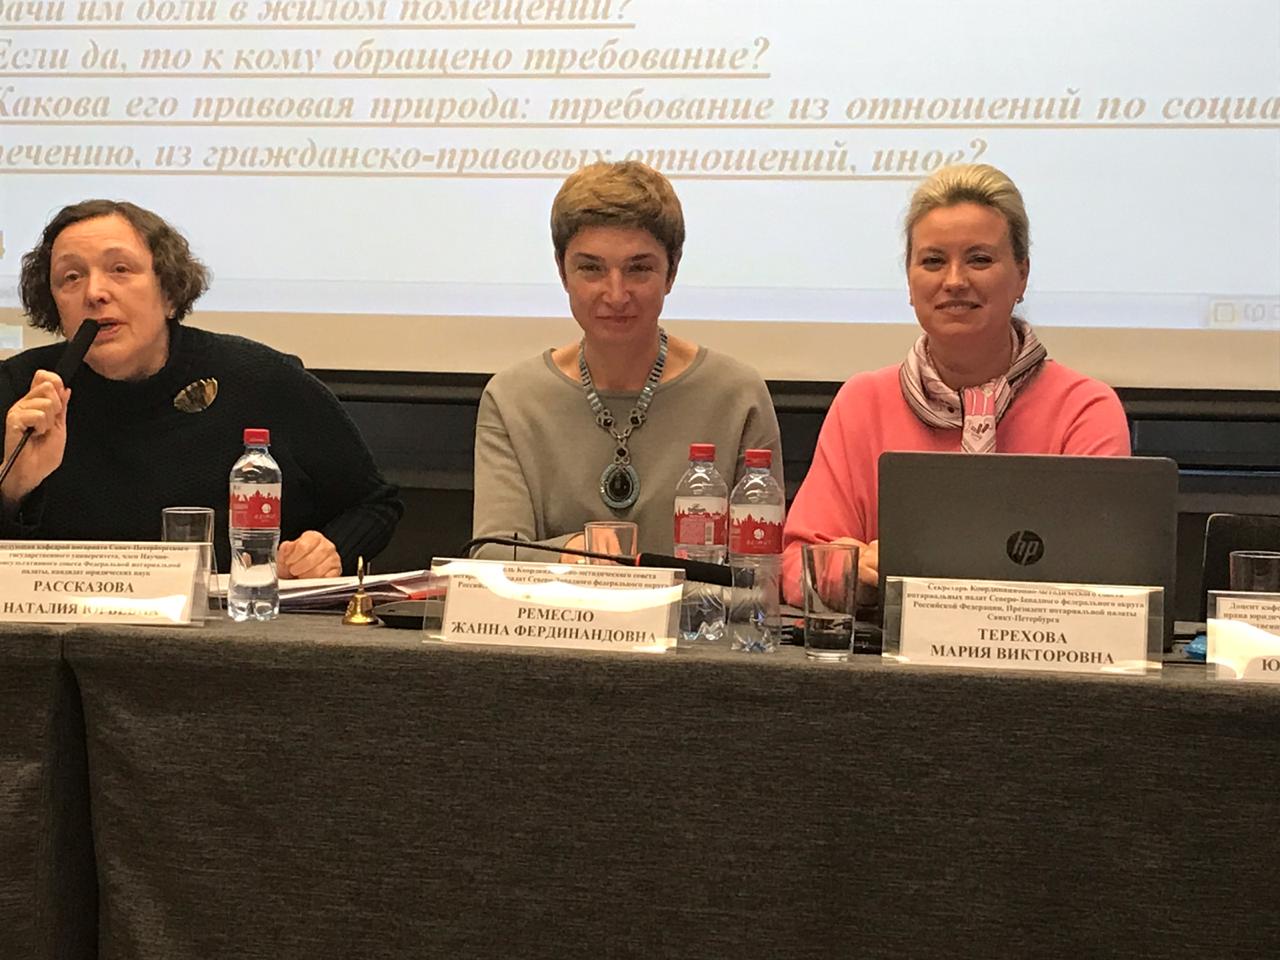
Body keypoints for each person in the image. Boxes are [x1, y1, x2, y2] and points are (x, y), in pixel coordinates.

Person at [782, 163, 1130, 605]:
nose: (954, 281)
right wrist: (850, 571)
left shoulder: (1083, 410)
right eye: (932, 261)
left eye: (979, 259)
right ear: (910, 282)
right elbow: (795, 569)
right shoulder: (863, 402)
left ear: (1022, 275)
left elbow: (1106, 585)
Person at [0, 199, 402, 577]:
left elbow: (373, 504)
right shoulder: (21, 393)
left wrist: (329, 550)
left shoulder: (258, 378)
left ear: (169, 292)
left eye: (120, 269)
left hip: (234, 621)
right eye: (71, 278)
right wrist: (12, 489)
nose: (94, 293)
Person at [472, 161, 782, 560]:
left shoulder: (737, 396)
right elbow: (491, 556)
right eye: (591, 269)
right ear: (562, 272)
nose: (616, 295)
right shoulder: (514, 399)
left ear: (671, 272)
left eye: (639, 269)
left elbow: (759, 566)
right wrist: (569, 553)